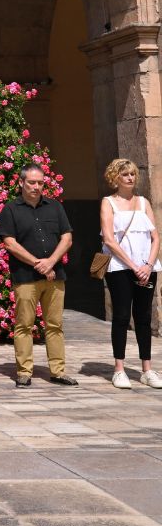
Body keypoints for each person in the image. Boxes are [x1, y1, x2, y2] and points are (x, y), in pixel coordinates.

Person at [0, 164, 75, 387]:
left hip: (55, 275)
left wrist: (50, 262)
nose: (36, 186)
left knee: (55, 325)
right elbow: (9, 243)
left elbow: (67, 238)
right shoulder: (11, 209)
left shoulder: (55, 207)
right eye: (31, 182)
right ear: (21, 182)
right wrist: (37, 263)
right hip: (25, 277)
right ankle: (24, 372)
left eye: (40, 182)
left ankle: (58, 371)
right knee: (24, 325)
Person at [98, 158, 162, 389]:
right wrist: (134, 266)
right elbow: (109, 239)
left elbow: (155, 237)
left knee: (143, 317)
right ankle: (119, 369)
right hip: (120, 268)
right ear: (115, 178)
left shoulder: (143, 202)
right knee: (122, 316)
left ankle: (147, 369)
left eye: (133, 174)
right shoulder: (108, 203)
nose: (130, 178)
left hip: (146, 268)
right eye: (125, 174)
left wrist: (147, 264)